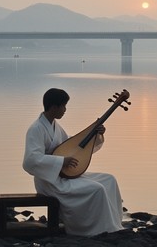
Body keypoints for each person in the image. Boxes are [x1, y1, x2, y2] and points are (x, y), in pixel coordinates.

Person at [22, 88, 123, 236]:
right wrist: (61, 161)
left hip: (63, 174)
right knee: (97, 189)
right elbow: (30, 161)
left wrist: (96, 134)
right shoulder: (36, 128)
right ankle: (97, 230)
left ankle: (114, 224)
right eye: (63, 106)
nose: (65, 110)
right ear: (54, 107)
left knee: (109, 180)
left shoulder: (55, 127)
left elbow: (73, 147)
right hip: (49, 181)